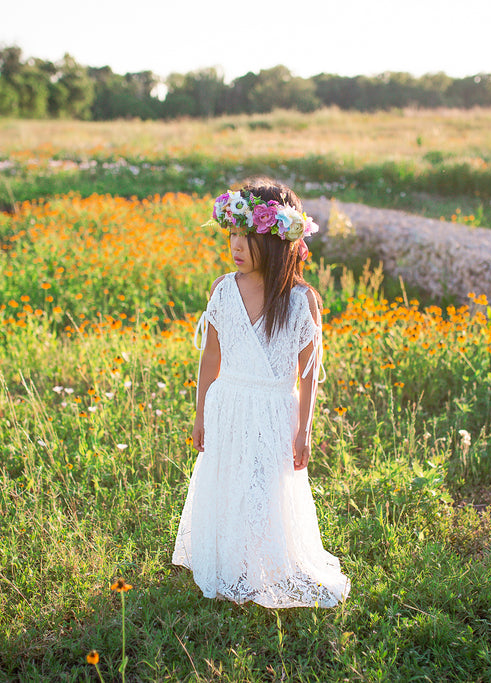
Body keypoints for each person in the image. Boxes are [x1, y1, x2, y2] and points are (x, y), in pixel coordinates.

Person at [172, 177, 350, 608]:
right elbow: (210, 359)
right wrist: (199, 415)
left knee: (267, 486)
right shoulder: (223, 289)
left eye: (246, 238)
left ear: (275, 242)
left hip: (274, 408)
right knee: (228, 477)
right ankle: (228, 559)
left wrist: (304, 429)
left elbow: (308, 374)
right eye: (231, 234)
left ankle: (266, 561)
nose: (235, 245)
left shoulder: (299, 300)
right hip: (228, 403)